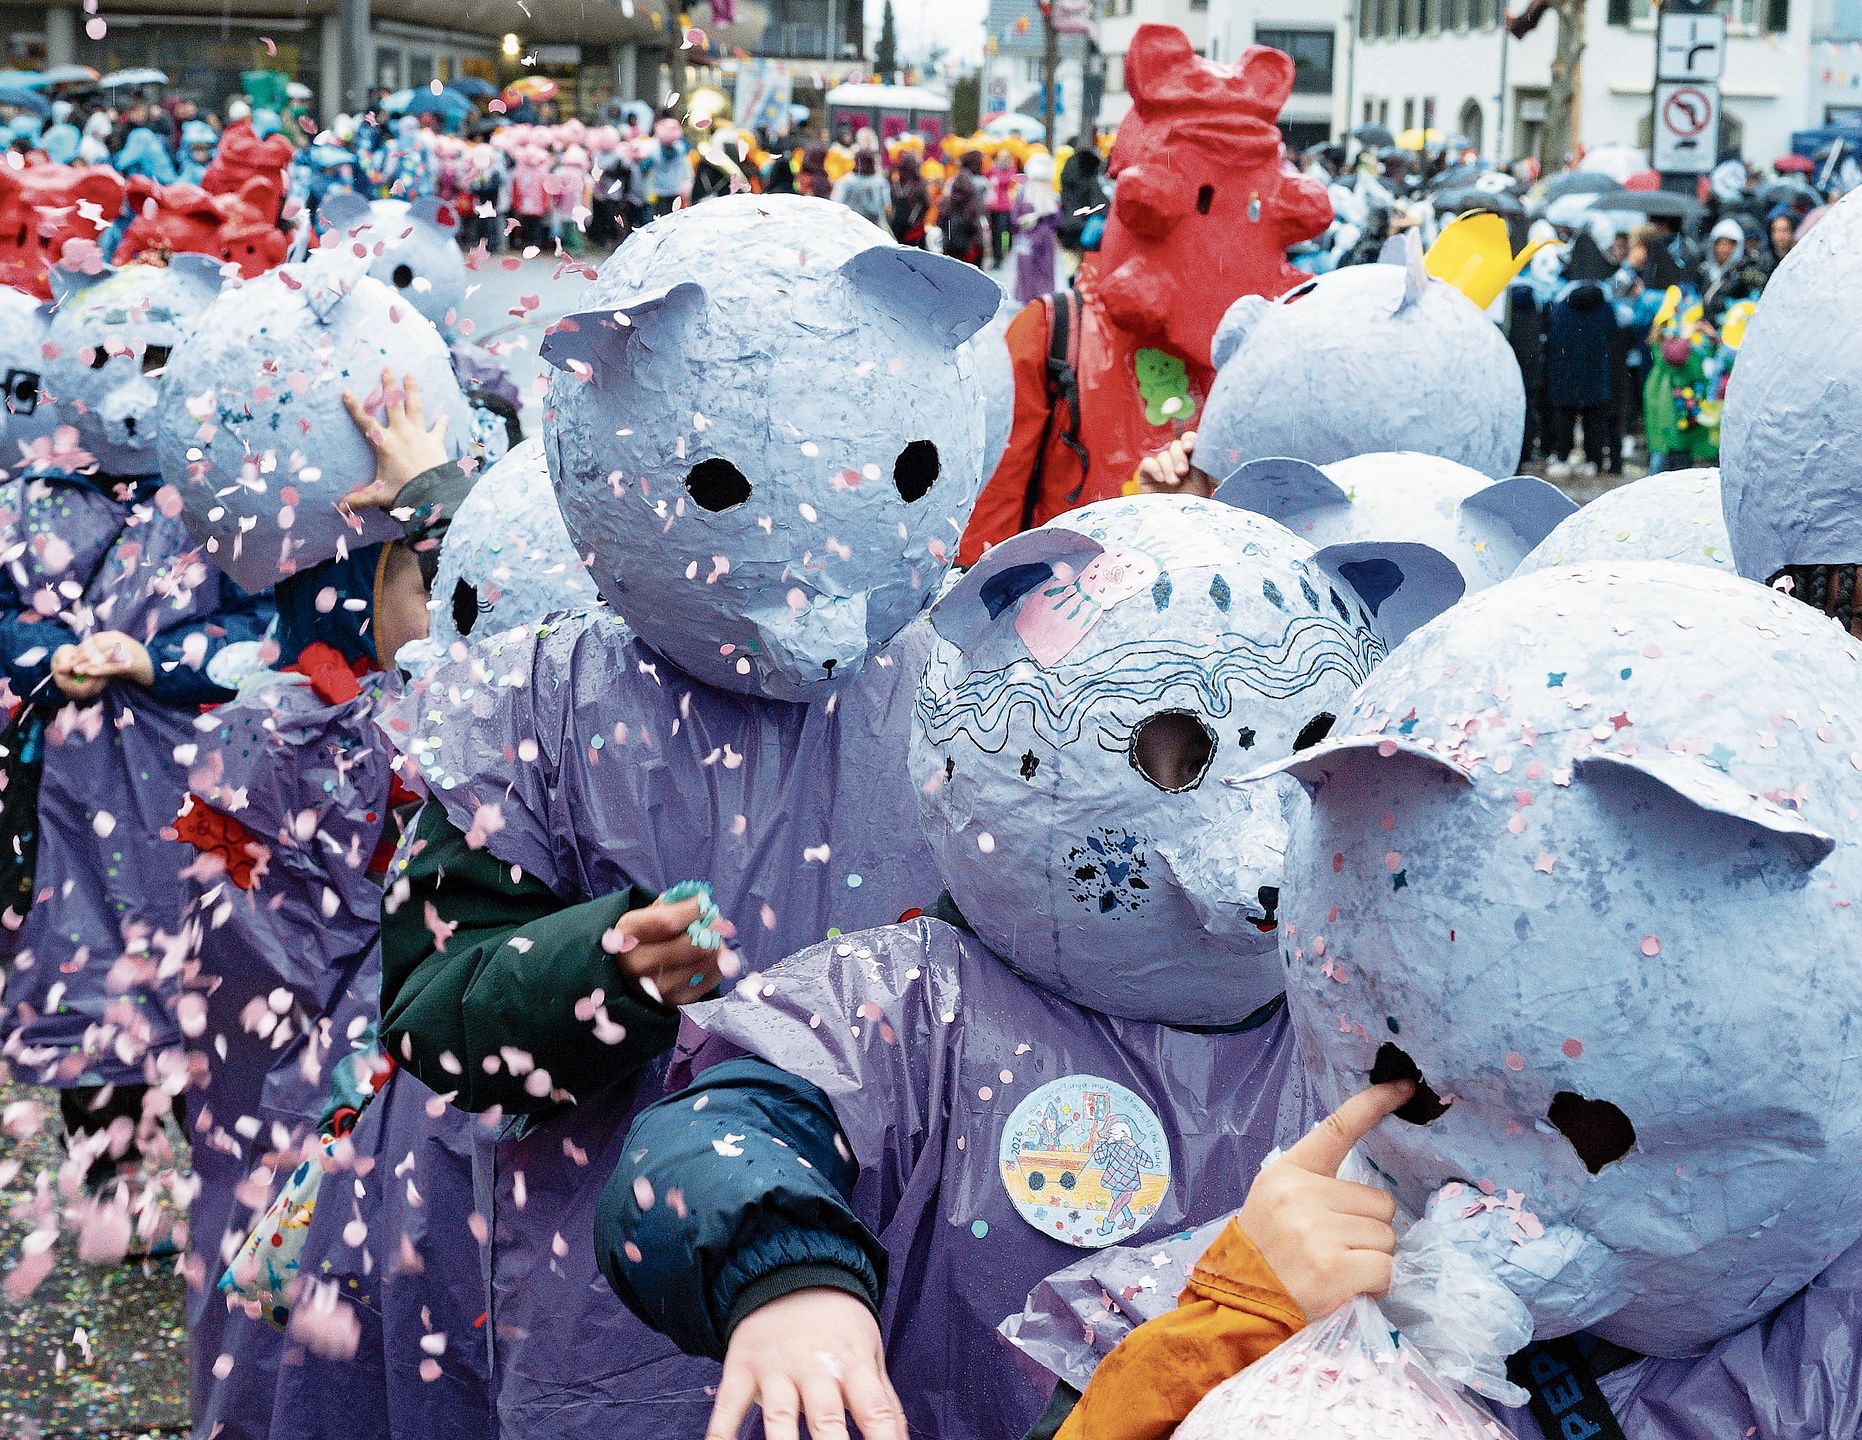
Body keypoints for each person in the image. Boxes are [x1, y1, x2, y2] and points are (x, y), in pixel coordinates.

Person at [369, 193, 998, 1440]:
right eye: (719, 484)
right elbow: (434, 1013)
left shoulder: (984, 688)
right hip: (621, 1308)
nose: (805, 579)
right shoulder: (539, 706)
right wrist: (597, 969)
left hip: (919, 1272)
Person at [597, 496, 1386, 1440]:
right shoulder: (910, 1006)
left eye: (1307, 759)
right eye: (1176, 764)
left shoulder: (1361, 1017)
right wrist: (785, 1272)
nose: (1263, 855)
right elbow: (705, 1141)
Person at [1012, 150, 1061, 304]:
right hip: (1046, 240)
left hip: (1025, 240)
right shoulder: (1052, 195)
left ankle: (1028, 305)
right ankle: (1044, 304)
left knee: (1026, 274)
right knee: (1044, 274)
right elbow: (1058, 221)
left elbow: (1014, 219)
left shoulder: (1022, 193)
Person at [942, 148, 989, 266]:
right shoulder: (981, 183)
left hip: (951, 241)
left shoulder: (952, 182)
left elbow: (942, 217)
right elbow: (981, 215)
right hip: (972, 243)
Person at [831, 147, 891, 229]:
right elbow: (887, 206)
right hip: (875, 228)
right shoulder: (881, 182)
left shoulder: (845, 181)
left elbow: (837, 203)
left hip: (851, 227)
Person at [890, 150, 931, 246]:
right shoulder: (920, 184)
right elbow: (927, 203)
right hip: (914, 229)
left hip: (895, 227)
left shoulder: (894, 183)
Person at [987, 148, 1019, 267]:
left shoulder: (1011, 170)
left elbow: (1009, 182)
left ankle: (1002, 252)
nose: (1002, 160)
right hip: (993, 205)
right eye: (1000, 158)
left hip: (1006, 205)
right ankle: (997, 255)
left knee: (1003, 230)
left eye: (1004, 158)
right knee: (994, 232)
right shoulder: (992, 170)